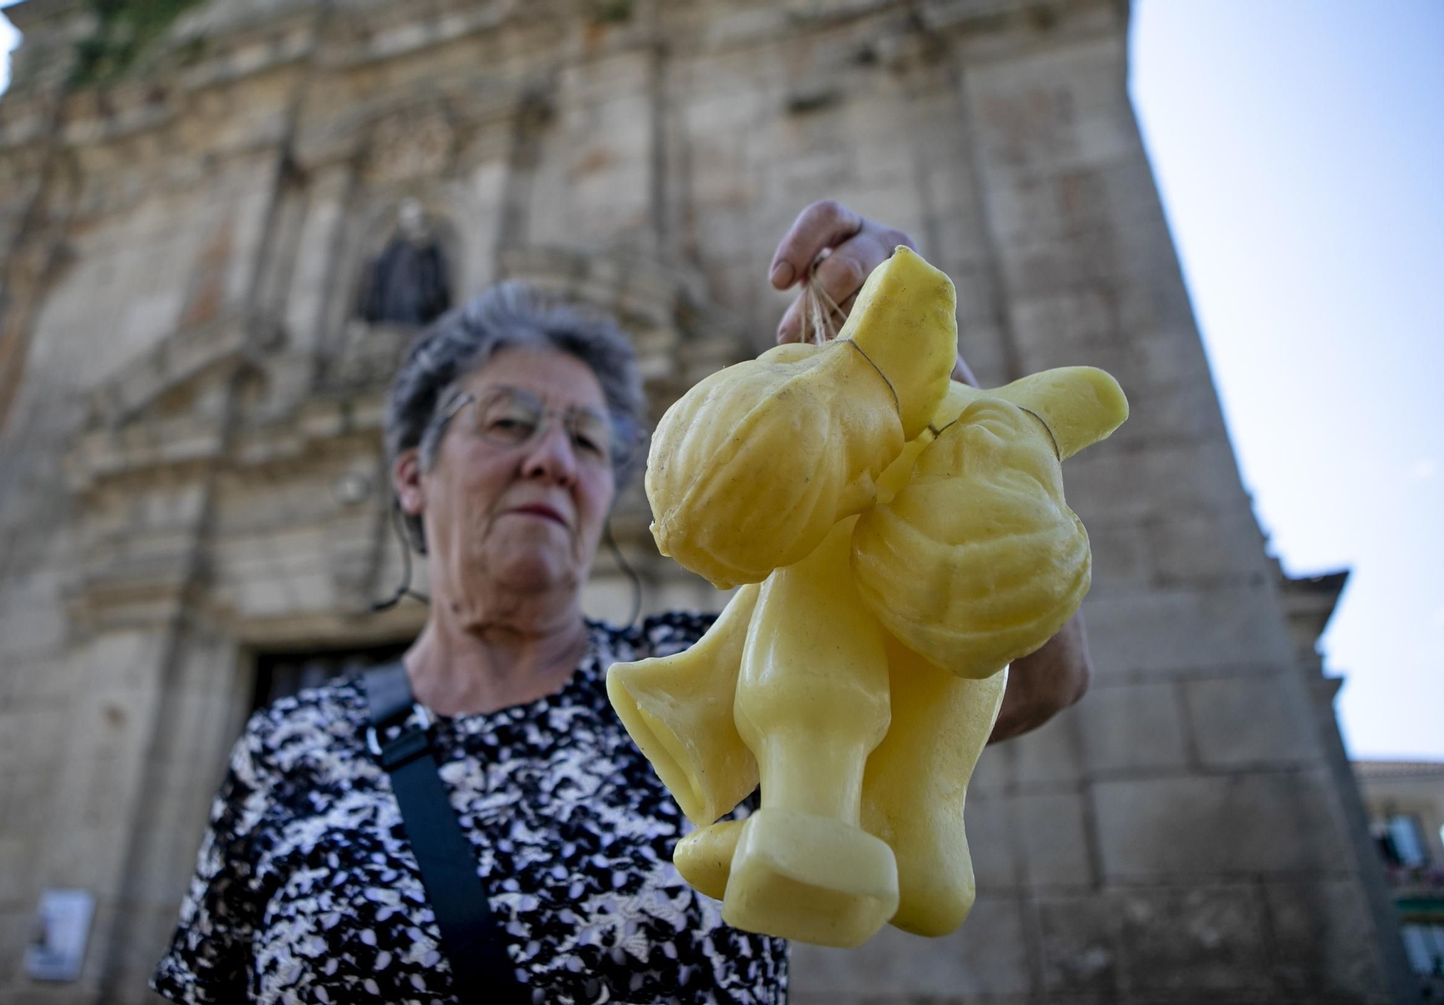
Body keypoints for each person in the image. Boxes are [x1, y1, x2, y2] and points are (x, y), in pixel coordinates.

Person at [150, 200, 1092, 1005]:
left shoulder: (709, 671)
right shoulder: (290, 744)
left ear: (612, 490)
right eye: (509, 422)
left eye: (590, 443)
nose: (552, 459)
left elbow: (1034, 678)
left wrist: (918, 367)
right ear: (411, 474)